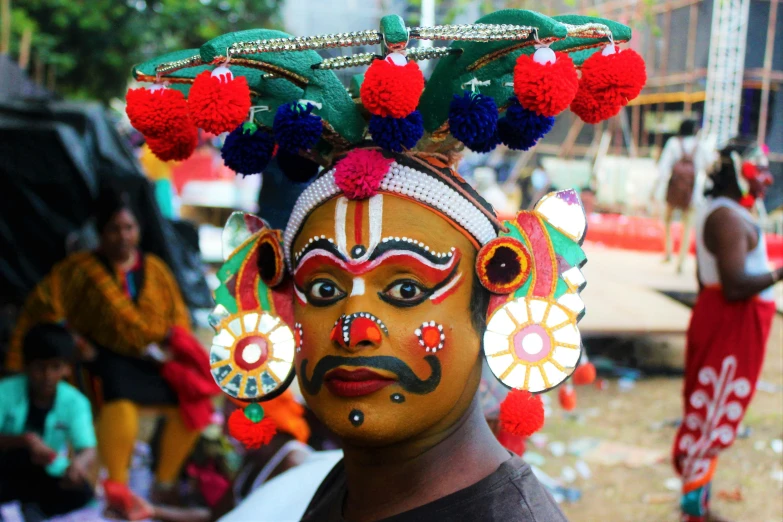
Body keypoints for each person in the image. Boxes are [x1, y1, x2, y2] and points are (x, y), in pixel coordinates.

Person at [129, 9, 641, 520]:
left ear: (500, 300)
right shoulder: (351, 485)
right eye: (324, 291)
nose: (355, 330)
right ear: (276, 303)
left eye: (405, 291)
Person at [6, 186, 205, 520]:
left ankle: (164, 483)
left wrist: (172, 346)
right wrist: (71, 342)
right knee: (121, 411)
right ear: (100, 233)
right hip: (102, 360)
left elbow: (177, 318)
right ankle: (118, 488)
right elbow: (45, 307)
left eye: (129, 228)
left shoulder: (155, 269)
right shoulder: (80, 269)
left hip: (151, 360)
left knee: (194, 404)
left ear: (139, 230)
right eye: (114, 229)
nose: (123, 237)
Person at [673, 138, 779, 522]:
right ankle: (693, 508)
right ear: (738, 169)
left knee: (712, 406)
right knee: (713, 409)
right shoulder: (728, 217)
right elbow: (734, 285)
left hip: (725, 320)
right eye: (759, 167)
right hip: (730, 321)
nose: (766, 177)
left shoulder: (726, 212)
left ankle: (697, 503)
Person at [0, 323, 97, 518]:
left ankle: (31, 509)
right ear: (26, 366)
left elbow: (87, 448)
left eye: (55, 367)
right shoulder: (4, 391)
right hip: (5, 469)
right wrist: (24, 441)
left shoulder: (75, 402)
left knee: (81, 492)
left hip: (43, 474)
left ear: (67, 368)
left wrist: (79, 464)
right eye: (39, 368)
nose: (47, 376)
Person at [654, 119, 712, 274]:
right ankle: (681, 261)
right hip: (693, 192)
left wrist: (656, 189)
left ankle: (668, 251)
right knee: (687, 227)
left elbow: (663, 167)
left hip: (673, 190)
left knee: (667, 221)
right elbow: (709, 166)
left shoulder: (674, 143)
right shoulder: (700, 146)